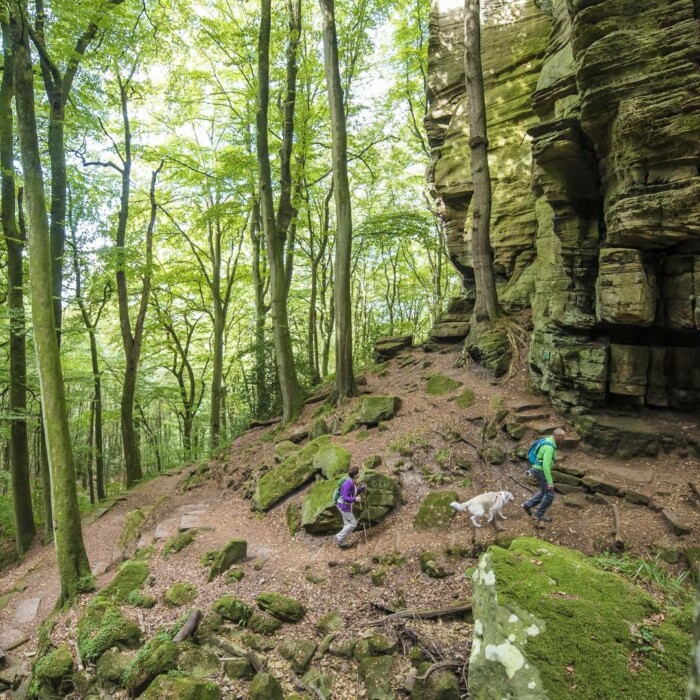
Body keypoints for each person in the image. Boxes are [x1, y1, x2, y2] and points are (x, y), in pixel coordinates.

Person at [522, 428, 566, 522]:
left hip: (536, 469)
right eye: (562, 437)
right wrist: (550, 482)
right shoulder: (549, 448)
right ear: (556, 436)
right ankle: (538, 514)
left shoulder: (546, 440)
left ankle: (527, 505)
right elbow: (545, 466)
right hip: (541, 471)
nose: (563, 439)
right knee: (550, 495)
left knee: (543, 492)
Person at [335, 465, 365, 548]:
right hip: (343, 506)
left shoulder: (352, 481)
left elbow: (353, 491)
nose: (359, 474)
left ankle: (341, 542)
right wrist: (355, 499)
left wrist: (361, 489)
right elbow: (344, 497)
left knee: (347, 524)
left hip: (346, 505)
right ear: (355, 475)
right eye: (358, 473)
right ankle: (339, 537)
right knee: (353, 524)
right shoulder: (348, 483)